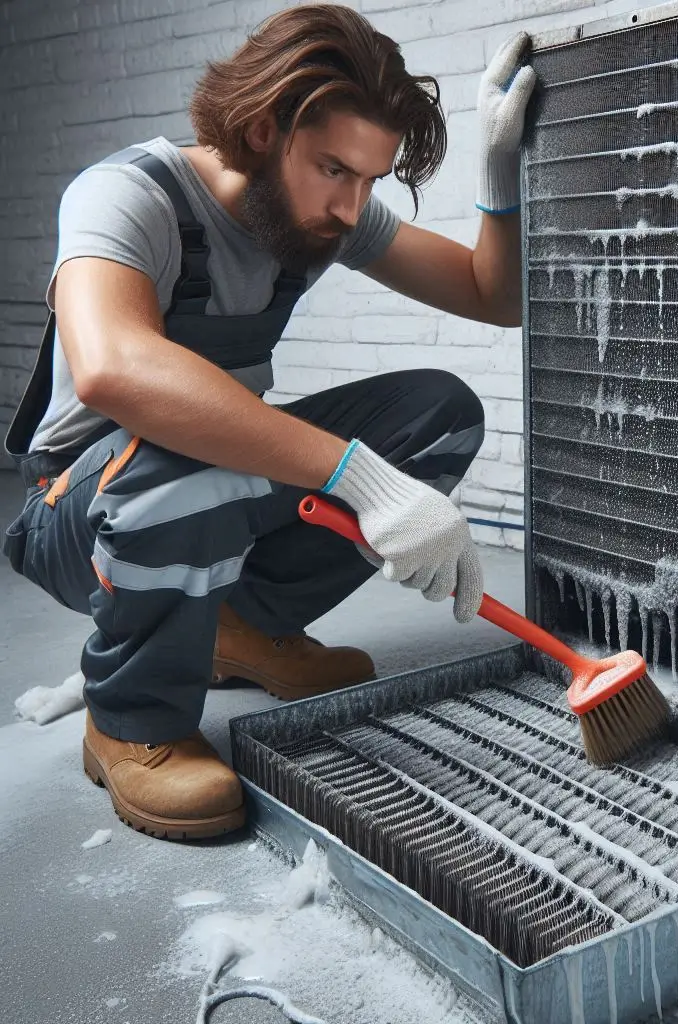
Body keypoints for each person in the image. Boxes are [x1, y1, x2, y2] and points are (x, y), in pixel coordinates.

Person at [1, 3, 536, 841]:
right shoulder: (125, 195)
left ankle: (238, 625)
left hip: (203, 482)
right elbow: (114, 368)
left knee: (439, 415)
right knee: (189, 454)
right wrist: (361, 477)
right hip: (81, 510)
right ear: (260, 128)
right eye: (335, 171)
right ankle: (130, 719)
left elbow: (488, 295)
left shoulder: (320, 212)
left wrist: (500, 174)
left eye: (371, 179)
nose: (355, 207)